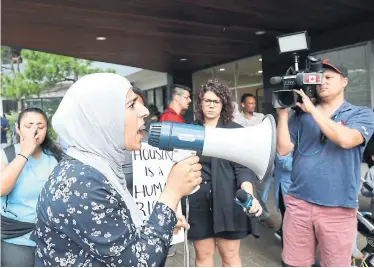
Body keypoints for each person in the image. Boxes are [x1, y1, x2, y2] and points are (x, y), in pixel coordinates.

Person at [34, 73, 202, 267]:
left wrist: (163, 223)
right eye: (131, 105)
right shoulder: (81, 184)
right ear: (103, 121)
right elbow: (138, 263)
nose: (145, 111)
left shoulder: (91, 169)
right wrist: (172, 192)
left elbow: (118, 238)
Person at [277, 59, 374, 267]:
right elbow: (283, 149)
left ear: (345, 82)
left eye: (329, 77)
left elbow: (347, 140)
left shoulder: (361, 113)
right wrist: (283, 114)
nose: (323, 82)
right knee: (294, 263)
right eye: (319, 78)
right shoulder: (301, 114)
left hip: (338, 208)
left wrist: (313, 111)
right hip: (298, 203)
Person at [186, 79, 262, 267]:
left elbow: (243, 169)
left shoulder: (235, 131)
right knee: (203, 256)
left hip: (228, 200)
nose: (211, 105)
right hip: (198, 202)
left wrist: (249, 194)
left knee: (230, 256)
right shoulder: (189, 131)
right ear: (200, 103)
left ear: (223, 104)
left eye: (216, 101)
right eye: (207, 100)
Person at [1, 107, 62, 267]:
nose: (35, 130)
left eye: (40, 126)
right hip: (17, 240)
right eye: (29, 126)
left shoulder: (55, 157)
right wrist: (25, 152)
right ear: (18, 129)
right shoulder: (6, 155)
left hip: (51, 239)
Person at [233, 93, 275, 228]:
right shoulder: (236, 119)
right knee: (246, 187)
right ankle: (247, 213)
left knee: (262, 190)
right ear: (243, 105)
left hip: (259, 158)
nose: (252, 106)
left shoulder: (261, 118)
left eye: (254, 103)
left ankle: (264, 214)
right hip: (244, 159)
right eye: (249, 103)